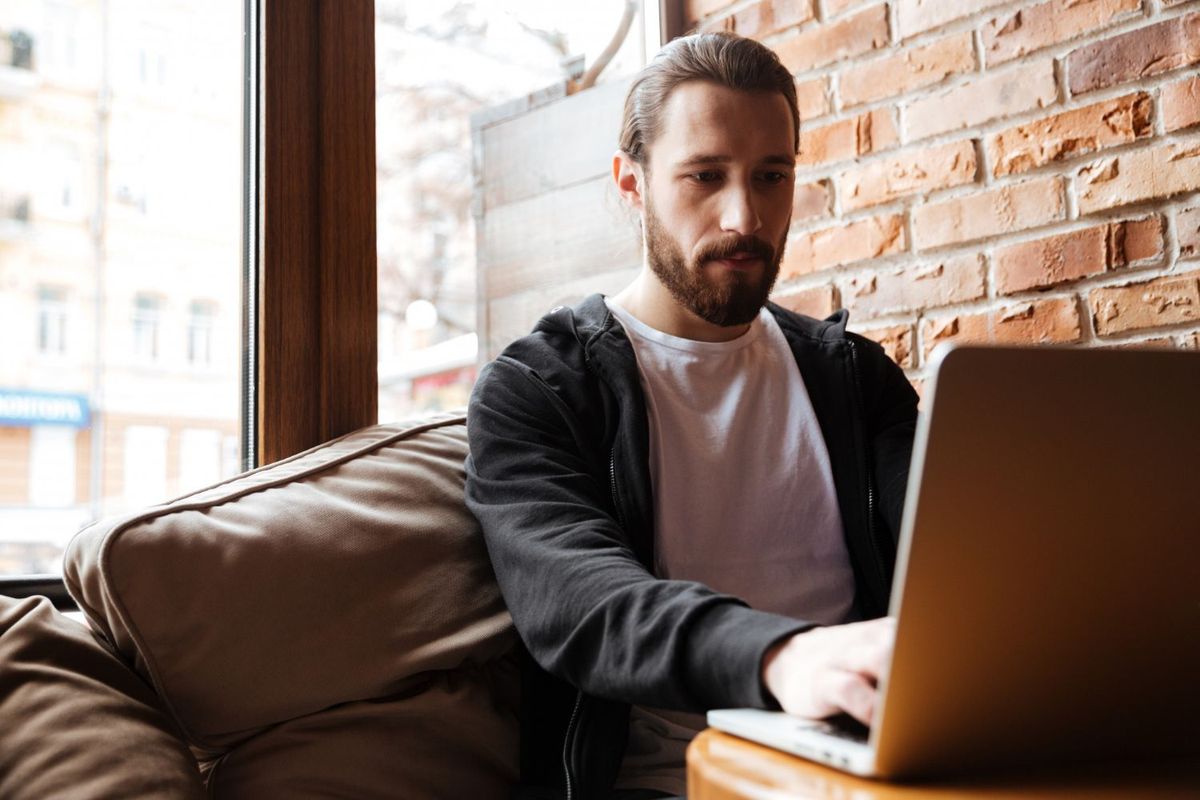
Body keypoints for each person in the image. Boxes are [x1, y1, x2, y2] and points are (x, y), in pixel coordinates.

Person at [466, 31, 918, 800]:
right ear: (632, 183)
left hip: (868, 764)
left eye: (771, 176)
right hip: (663, 782)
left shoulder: (853, 377)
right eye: (704, 176)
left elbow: (951, 560)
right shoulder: (538, 389)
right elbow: (588, 606)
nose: (745, 216)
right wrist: (783, 656)